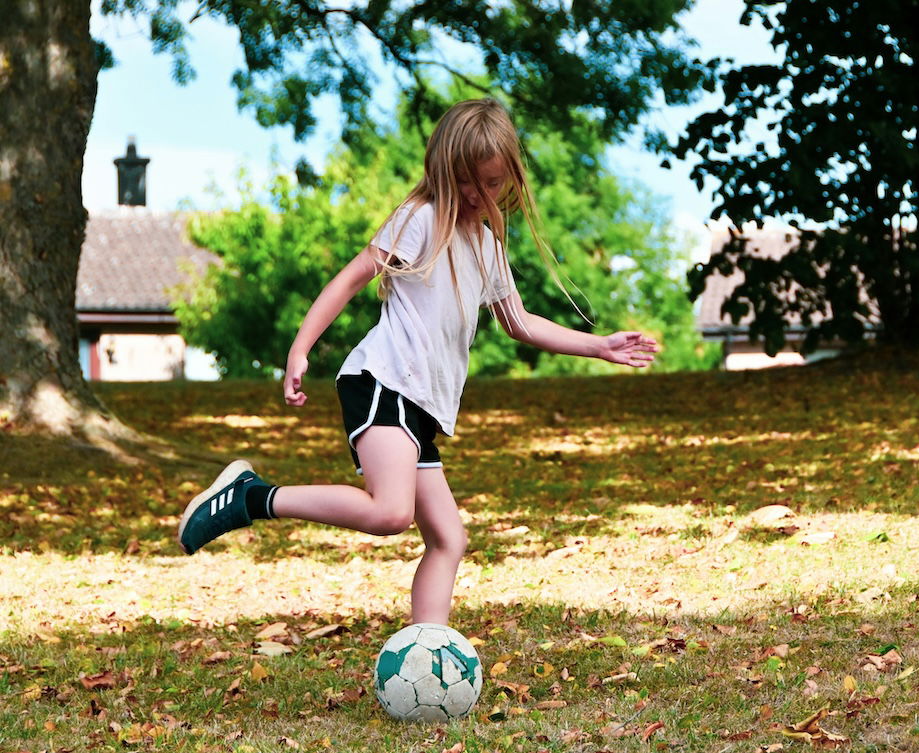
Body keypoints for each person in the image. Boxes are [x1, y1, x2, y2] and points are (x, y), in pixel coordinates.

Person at [175, 99, 659, 626]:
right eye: (467, 182)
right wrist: (300, 346)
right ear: (443, 171)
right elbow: (354, 275)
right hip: (384, 382)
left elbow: (517, 320)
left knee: (449, 539)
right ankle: (251, 497)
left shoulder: (489, 244)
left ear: (510, 177)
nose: (478, 195)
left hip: (420, 404)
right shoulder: (423, 219)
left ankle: (428, 648)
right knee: (390, 512)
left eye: (491, 183)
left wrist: (599, 345)